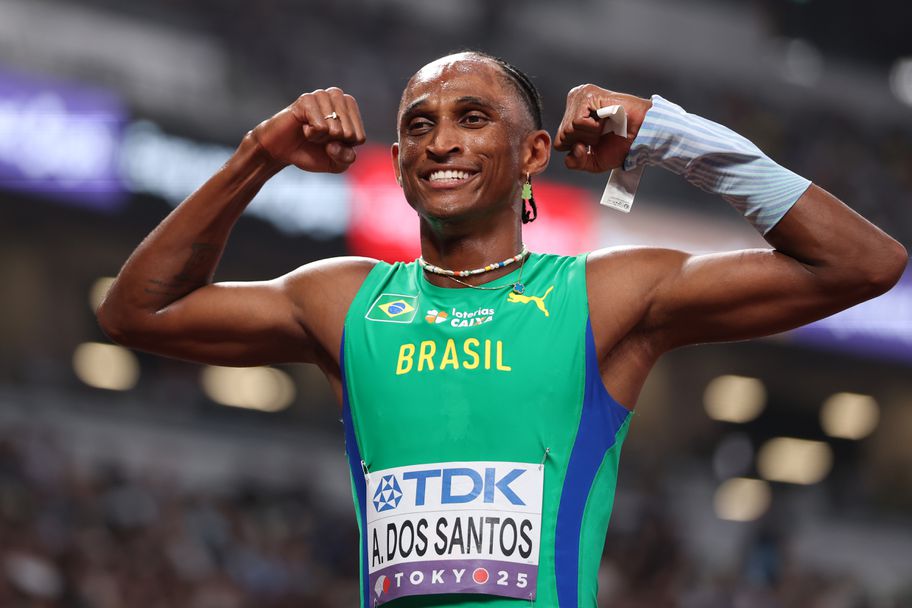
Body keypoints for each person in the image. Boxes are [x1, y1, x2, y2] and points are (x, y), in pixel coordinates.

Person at [97, 51, 907, 608]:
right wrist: (258, 154)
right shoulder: (346, 300)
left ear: (533, 153)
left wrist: (668, 134)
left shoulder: (601, 297)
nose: (441, 141)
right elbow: (139, 311)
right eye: (418, 126)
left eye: (473, 117)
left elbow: (863, 264)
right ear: (399, 160)